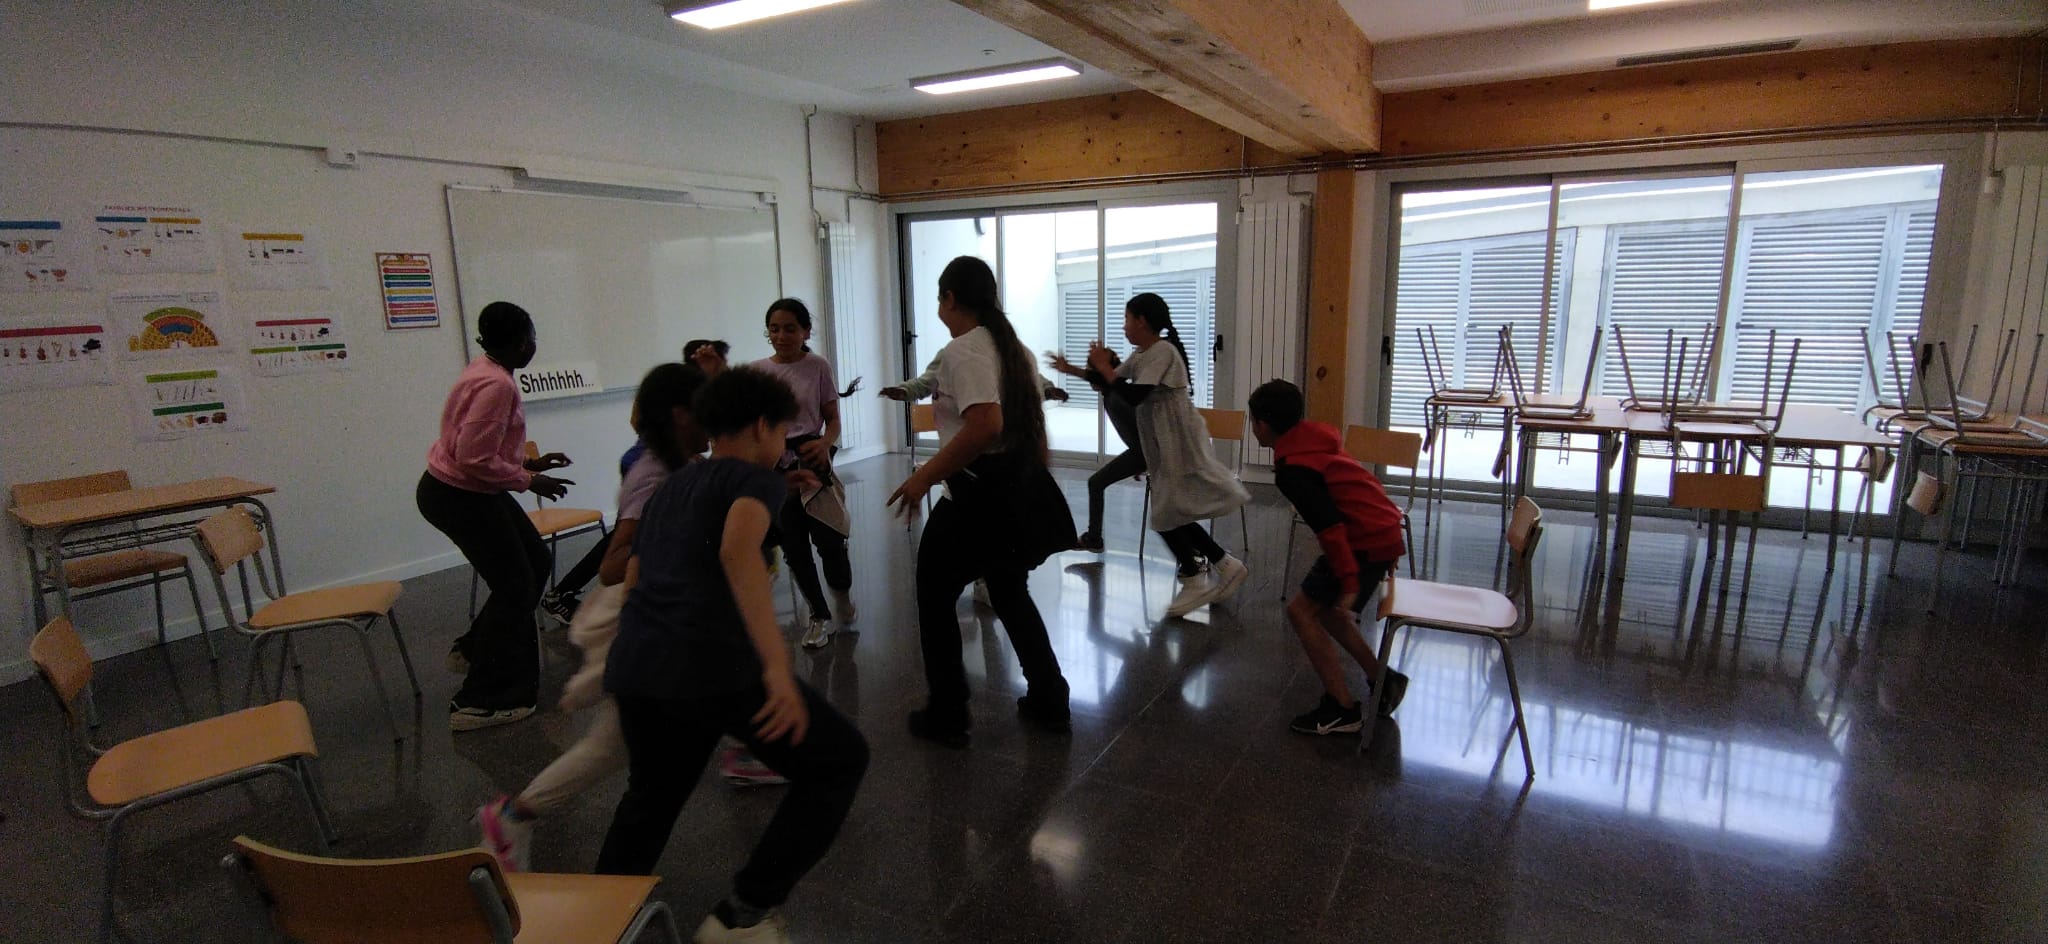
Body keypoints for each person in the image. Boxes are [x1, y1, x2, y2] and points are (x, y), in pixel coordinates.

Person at [595, 366, 869, 944]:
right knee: (839, 760)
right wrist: (777, 672)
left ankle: (595, 923)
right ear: (763, 426)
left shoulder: (674, 485)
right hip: (710, 666)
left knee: (650, 802)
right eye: (782, 433)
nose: (782, 446)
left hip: (640, 666)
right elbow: (737, 550)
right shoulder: (754, 479)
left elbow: (636, 575)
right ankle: (743, 916)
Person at [889, 255, 1074, 748]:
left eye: (939, 299)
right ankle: (1050, 697)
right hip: (1009, 489)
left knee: (934, 595)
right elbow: (1021, 425)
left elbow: (985, 424)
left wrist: (923, 477)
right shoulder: (1012, 348)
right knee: (1010, 592)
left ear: (949, 298)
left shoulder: (964, 350)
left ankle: (948, 713)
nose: (939, 309)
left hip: (974, 497)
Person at [417, 301, 572, 731]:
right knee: (516, 585)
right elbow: (473, 457)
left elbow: (478, 445)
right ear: (522, 343)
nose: (534, 345)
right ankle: (483, 699)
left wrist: (530, 464)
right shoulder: (497, 385)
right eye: (533, 338)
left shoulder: (486, 370)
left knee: (534, 563)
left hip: (466, 489)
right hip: (458, 494)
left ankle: (473, 650)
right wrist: (529, 481)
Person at [1247, 379, 1411, 735]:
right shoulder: (1312, 440)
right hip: (1376, 530)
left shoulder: (1294, 468)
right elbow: (1364, 485)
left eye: (1253, 421)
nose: (1253, 428)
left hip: (1361, 538)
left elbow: (1330, 527)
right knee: (1328, 613)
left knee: (1301, 612)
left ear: (1262, 424)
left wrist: (1349, 581)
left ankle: (1342, 709)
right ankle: (1384, 680)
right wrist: (1389, 538)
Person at [1086, 292, 1249, 618]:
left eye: (1127, 319)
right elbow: (1113, 382)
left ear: (1142, 321)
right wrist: (1086, 369)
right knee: (1171, 513)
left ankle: (1197, 576)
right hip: (1162, 444)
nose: (1124, 326)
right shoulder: (1142, 354)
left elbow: (1134, 394)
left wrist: (1105, 368)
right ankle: (1223, 564)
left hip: (1178, 442)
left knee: (1166, 515)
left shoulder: (1163, 352)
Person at [753, 299, 858, 649]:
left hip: (812, 462)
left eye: (789, 329)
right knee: (794, 548)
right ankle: (819, 615)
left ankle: (841, 594)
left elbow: (833, 418)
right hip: (777, 468)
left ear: (805, 332)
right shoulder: (757, 372)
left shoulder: (817, 367)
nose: (781, 336)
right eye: (774, 329)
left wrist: (825, 444)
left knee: (830, 541)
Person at [1046, 347, 1143, 553]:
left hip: (1143, 453)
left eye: (1092, 371)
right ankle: (1093, 538)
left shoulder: (1116, 397)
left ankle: (1094, 538)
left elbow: (1141, 431)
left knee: (1096, 482)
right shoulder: (1113, 393)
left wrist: (1142, 461)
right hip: (1141, 453)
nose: (1090, 376)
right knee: (1096, 483)